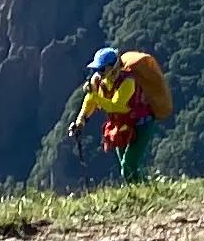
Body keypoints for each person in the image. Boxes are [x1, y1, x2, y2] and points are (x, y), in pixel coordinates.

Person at [73, 45, 173, 181]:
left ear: (113, 67)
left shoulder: (128, 82)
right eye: (96, 69)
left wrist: (94, 96)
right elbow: (89, 101)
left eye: (101, 69)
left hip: (141, 125)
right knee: (126, 167)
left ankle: (142, 192)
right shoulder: (99, 81)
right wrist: (80, 121)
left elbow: (117, 106)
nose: (98, 73)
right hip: (121, 125)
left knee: (128, 165)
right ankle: (141, 189)